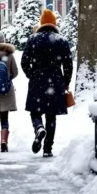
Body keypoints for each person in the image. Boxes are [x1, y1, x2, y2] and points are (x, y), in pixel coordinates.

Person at [21, 9, 73, 157]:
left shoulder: (33, 39)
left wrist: (32, 74)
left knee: (35, 111)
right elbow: (68, 64)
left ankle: (38, 127)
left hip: (37, 79)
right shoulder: (61, 40)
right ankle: (48, 148)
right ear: (54, 24)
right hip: (55, 80)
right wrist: (66, 81)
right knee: (51, 115)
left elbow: (24, 61)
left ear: (42, 23)